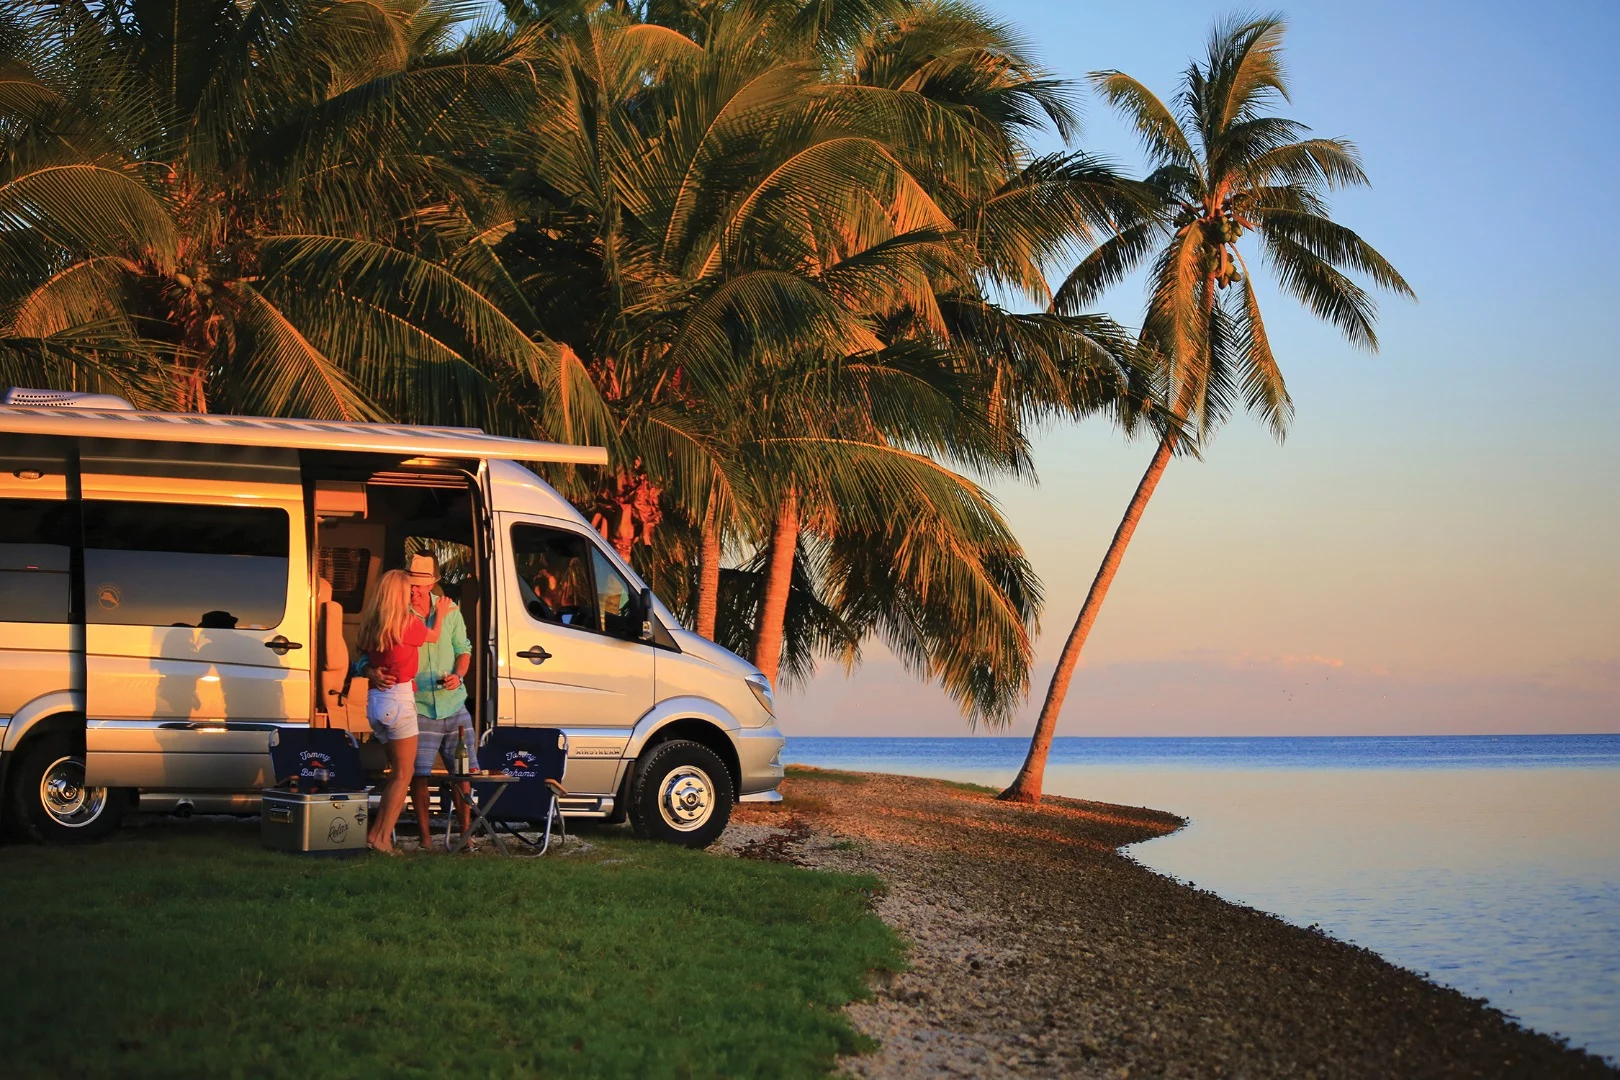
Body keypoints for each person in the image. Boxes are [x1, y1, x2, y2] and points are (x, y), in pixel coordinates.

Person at [356, 567, 453, 854]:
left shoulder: (373, 624)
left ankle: (379, 835)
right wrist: (443, 612)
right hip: (399, 700)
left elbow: (360, 657)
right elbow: (434, 636)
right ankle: (380, 837)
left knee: (396, 773)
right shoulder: (407, 623)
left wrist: (369, 670)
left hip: (376, 701)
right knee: (404, 774)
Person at [403, 555, 478, 847]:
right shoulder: (401, 611)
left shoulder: (451, 610)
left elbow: (464, 649)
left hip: (453, 702)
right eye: (411, 585)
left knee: (463, 773)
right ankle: (425, 838)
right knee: (418, 774)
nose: (415, 591)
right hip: (419, 704)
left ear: (432, 582)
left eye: (420, 585)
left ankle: (466, 837)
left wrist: (458, 676)